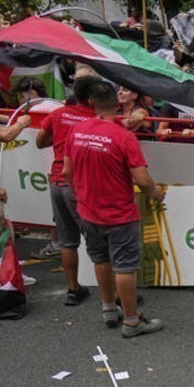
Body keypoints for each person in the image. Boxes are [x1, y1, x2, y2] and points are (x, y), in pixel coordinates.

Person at [64, 81, 165, 338]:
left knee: (100, 259)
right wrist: (156, 194)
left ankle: (108, 308)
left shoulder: (76, 131)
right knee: (125, 266)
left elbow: (67, 172)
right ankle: (131, 321)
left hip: (87, 209)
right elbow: (142, 180)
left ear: (89, 103)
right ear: (118, 103)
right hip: (118, 212)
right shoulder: (123, 137)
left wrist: (80, 195)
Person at [35, 75, 100, 306]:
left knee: (67, 241)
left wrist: (60, 139)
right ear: (92, 98)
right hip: (80, 186)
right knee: (99, 241)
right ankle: (116, 296)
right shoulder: (96, 118)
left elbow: (40, 141)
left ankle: (73, 290)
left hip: (56, 182)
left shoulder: (57, 114)